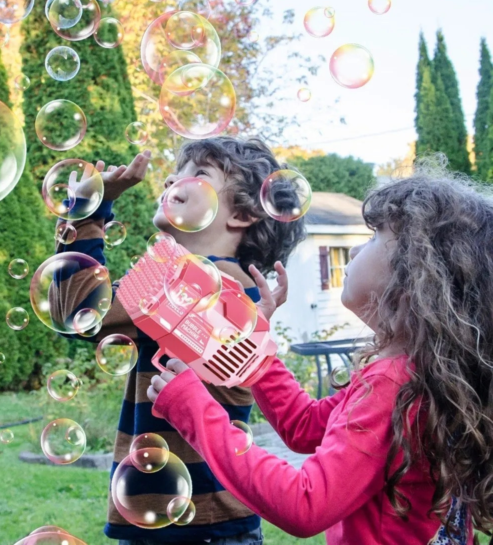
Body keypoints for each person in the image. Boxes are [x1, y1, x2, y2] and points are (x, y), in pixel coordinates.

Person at [149, 156, 493, 545]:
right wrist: (256, 348)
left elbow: (305, 504)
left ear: (415, 273)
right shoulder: (418, 374)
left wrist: (194, 409)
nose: (358, 250)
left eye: (375, 236)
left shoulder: (392, 382)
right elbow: (305, 426)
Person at [53, 137, 306, 544]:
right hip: (188, 517)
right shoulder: (198, 280)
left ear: (242, 213)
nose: (173, 179)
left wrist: (89, 208)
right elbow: (78, 311)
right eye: (177, 172)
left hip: (194, 527)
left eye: (199, 173)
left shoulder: (192, 282)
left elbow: (79, 310)